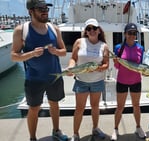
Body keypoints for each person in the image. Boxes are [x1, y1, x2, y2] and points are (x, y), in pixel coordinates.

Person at [11, 0, 68, 141]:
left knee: (54, 104)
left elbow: (64, 51)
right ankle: (32, 138)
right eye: (40, 9)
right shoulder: (21, 30)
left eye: (46, 8)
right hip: (34, 79)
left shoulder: (55, 29)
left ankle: (56, 131)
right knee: (34, 108)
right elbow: (14, 56)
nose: (45, 11)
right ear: (31, 11)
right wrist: (31, 54)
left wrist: (56, 52)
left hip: (54, 76)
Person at [66, 18, 109, 141]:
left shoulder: (104, 46)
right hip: (81, 81)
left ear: (99, 30)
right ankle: (75, 133)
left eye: (94, 28)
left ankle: (95, 128)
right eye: (89, 28)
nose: (92, 30)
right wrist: (71, 67)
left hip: (97, 81)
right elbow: (73, 58)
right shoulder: (79, 42)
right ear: (86, 31)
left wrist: (97, 69)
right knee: (79, 108)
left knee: (95, 106)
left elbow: (106, 64)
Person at [110, 23, 146, 141]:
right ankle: (115, 129)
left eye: (134, 33)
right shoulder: (118, 48)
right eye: (129, 33)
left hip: (136, 81)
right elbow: (117, 66)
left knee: (136, 106)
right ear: (125, 34)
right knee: (120, 107)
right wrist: (116, 61)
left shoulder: (140, 48)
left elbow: (140, 65)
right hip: (122, 81)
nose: (131, 35)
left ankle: (138, 127)